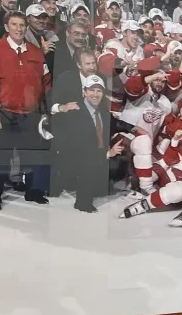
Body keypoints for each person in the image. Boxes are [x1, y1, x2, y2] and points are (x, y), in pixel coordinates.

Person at [0, 9, 52, 207]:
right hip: (5, 112)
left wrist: (47, 111)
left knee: (35, 155)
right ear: (7, 27)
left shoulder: (35, 53)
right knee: (0, 159)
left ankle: (33, 192)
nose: (18, 29)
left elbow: (46, 84)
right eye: (14, 25)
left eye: (22, 25)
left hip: (31, 114)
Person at [55, 74, 135, 212]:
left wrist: (134, 128)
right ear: (84, 92)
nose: (95, 94)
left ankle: (98, 185)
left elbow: (115, 123)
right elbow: (80, 148)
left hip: (96, 155)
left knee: (120, 162)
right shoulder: (75, 112)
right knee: (88, 164)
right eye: (91, 90)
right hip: (76, 157)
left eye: (99, 91)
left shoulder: (102, 110)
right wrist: (107, 153)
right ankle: (82, 201)